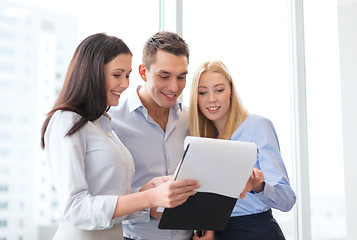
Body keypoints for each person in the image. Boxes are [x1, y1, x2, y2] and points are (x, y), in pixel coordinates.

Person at [40, 33, 199, 240]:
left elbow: (111, 204)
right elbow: (76, 208)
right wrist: (148, 197)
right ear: (93, 73)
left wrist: (145, 192)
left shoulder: (102, 124)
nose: (125, 84)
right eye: (117, 75)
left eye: (127, 75)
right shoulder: (67, 121)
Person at [189, 60, 296, 240]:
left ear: (231, 91)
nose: (211, 99)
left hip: (256, 231)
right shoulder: (201, 140)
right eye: (202, 92)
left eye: (219, 90)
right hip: (218, 233)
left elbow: (287, 200)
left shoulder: (257, 126)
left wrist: (258, 186)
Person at [109, 31, 193, 240]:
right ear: (143, 72)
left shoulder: (191, 120)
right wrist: (147, 205)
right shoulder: (112, 121)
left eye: (181, 77)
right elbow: (101, 201)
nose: (174, 87)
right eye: (164, 76)